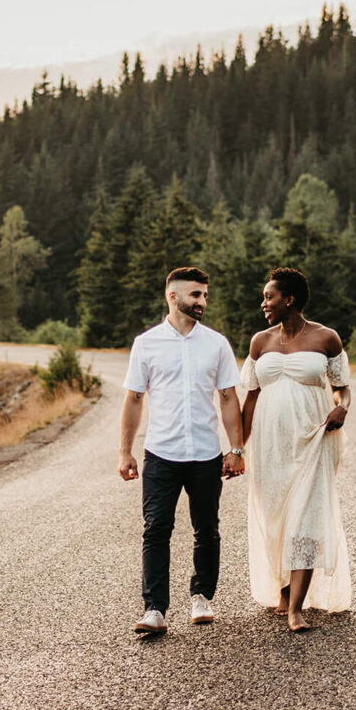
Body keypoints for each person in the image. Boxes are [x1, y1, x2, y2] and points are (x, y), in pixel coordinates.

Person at [118, 266, 245, 636]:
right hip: (161, 454)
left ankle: (202, 596)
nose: (202, 301)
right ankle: (154, 608)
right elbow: (134, 398)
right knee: (156, 529)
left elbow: (227, 398)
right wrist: (125, 451)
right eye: (195, 295)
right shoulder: (146, 343)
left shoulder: (217, 343)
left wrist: (236, 449)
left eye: (205, 295)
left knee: (207, 528)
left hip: (206, 453)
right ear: (172, 297)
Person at [239, 266, 351, 632]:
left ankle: (296, 608)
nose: (263, 304)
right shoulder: (260, 342)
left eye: (269, 297)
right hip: (270, 444)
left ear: (289, 299)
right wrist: (237, 449)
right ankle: (284, 590)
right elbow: (251, 398)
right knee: (275, 516)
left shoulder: (326, 338)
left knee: (305, 516)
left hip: (312, 437)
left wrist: (342, 406)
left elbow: (341, 385)